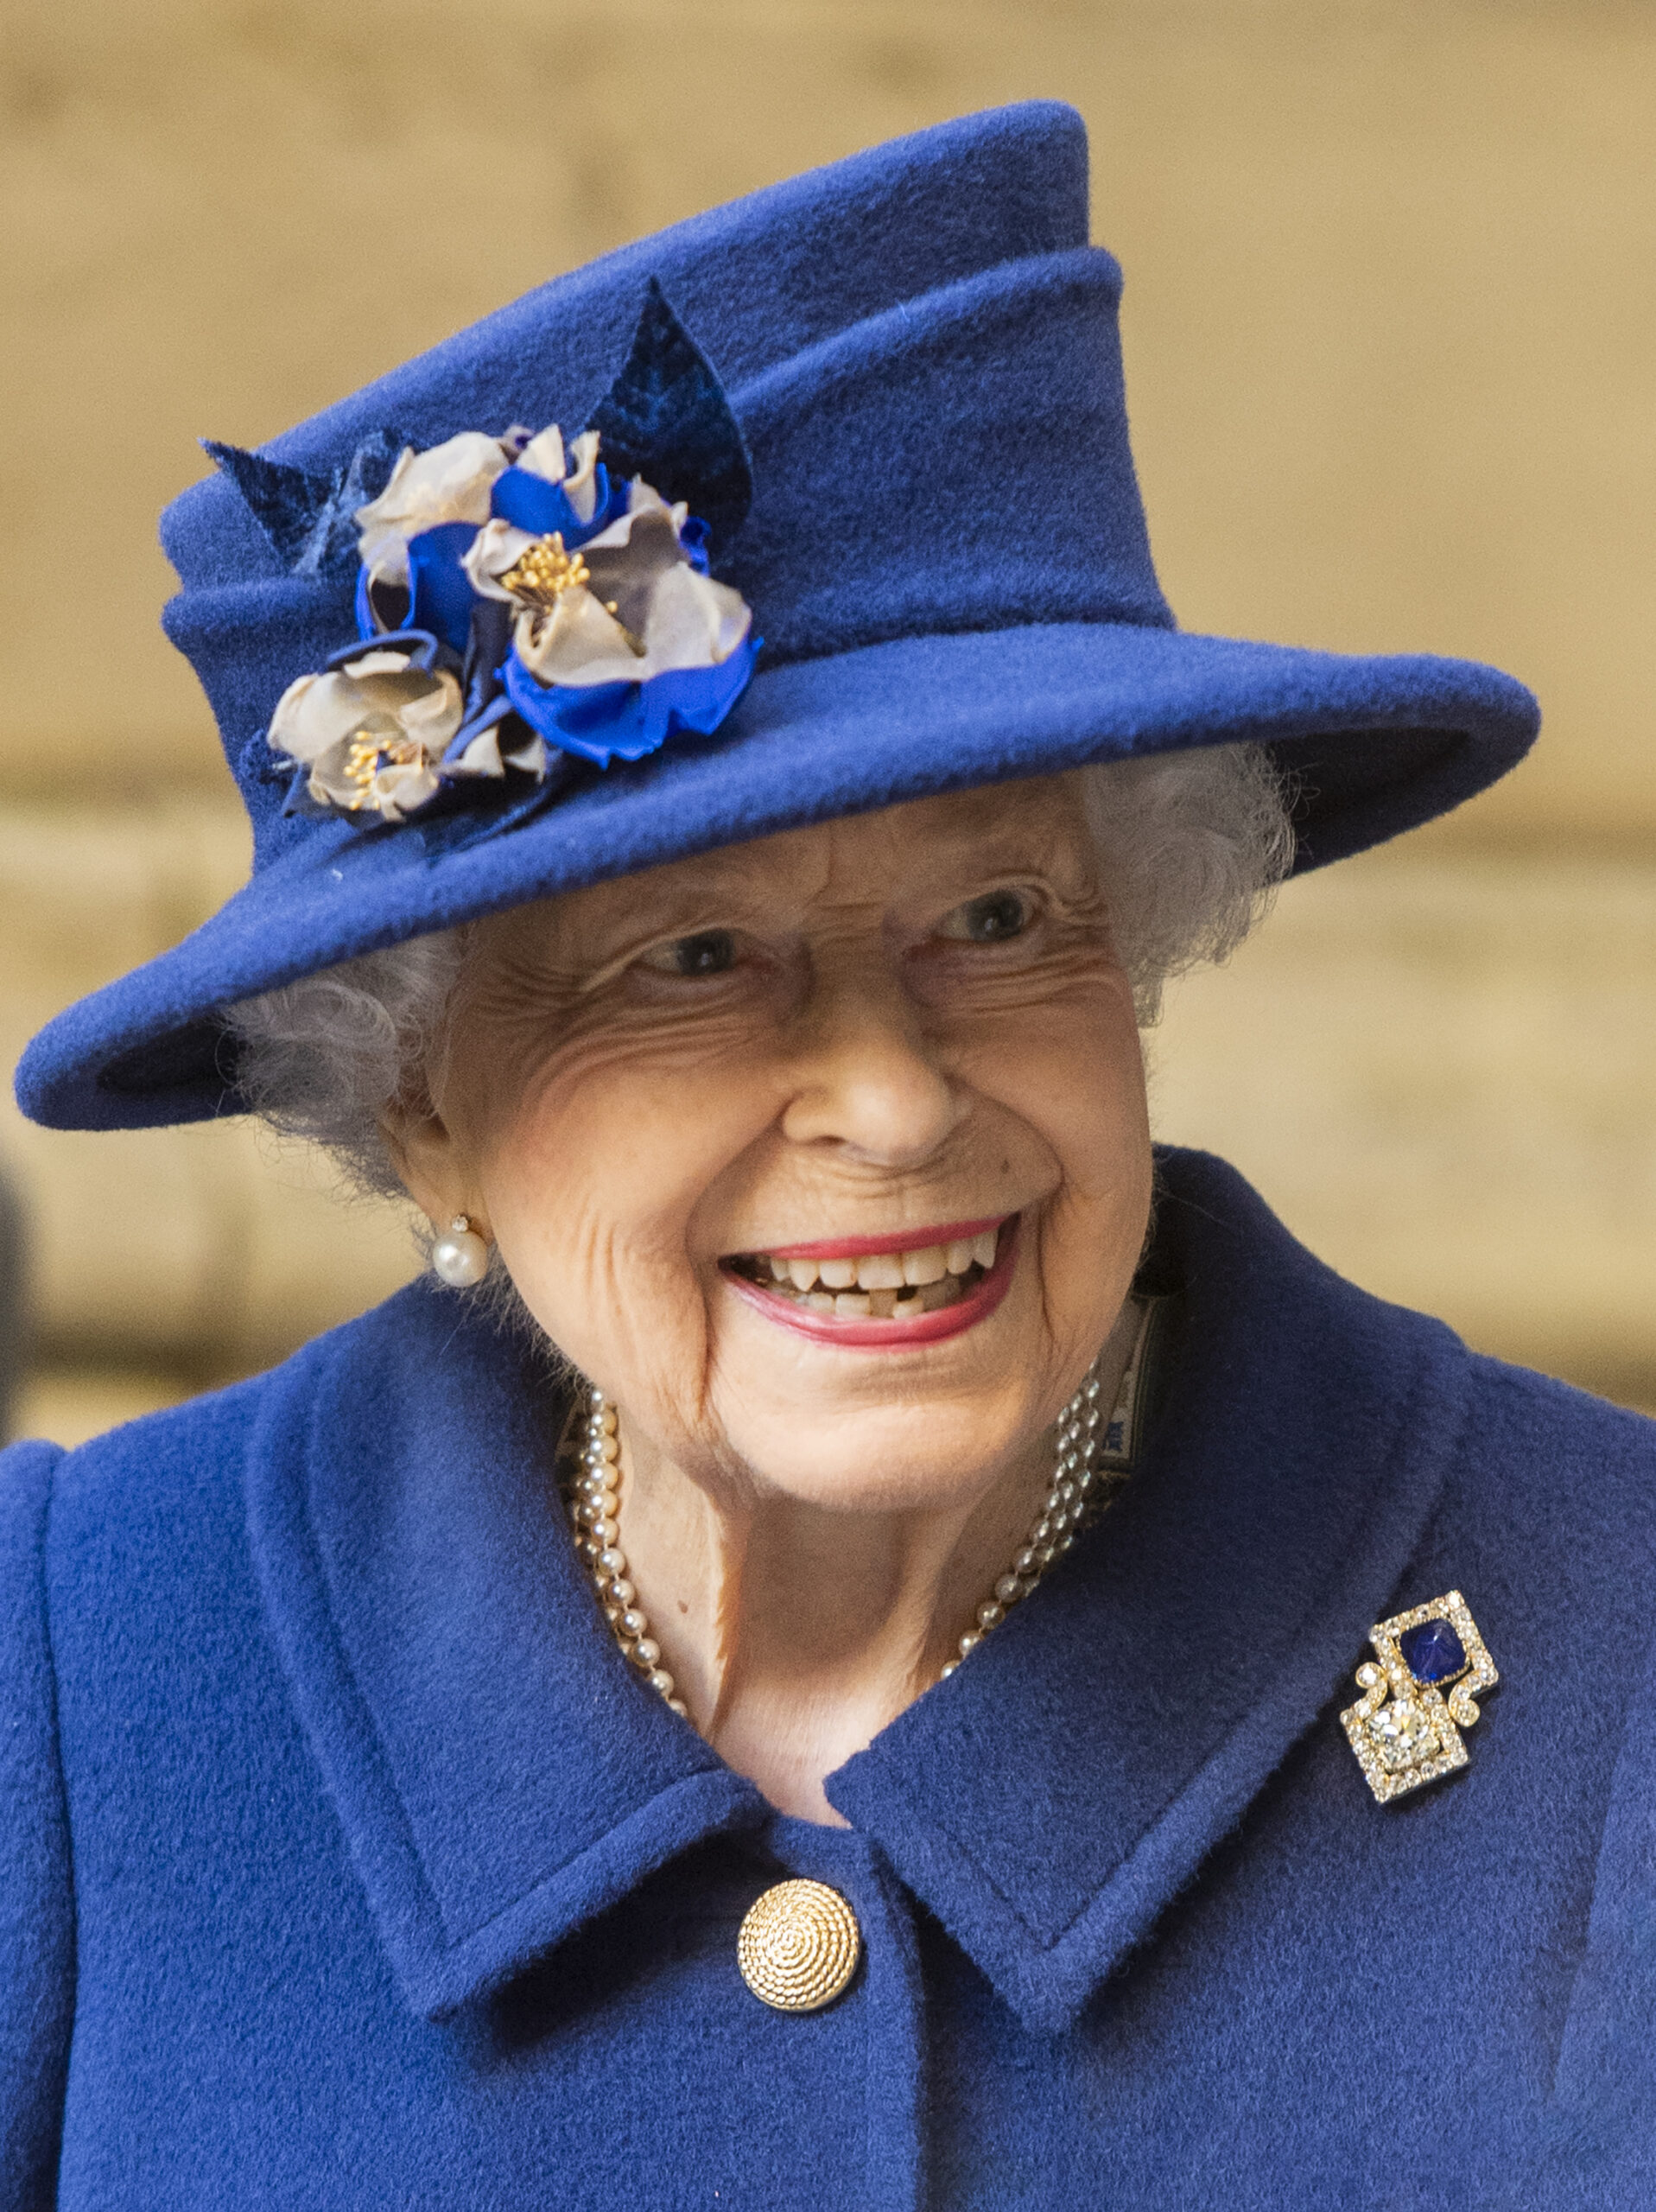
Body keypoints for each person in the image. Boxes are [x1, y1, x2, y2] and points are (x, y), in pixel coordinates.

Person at [2, 103, 1647, 2210]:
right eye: (691, 958)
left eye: (994, 920)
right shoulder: (78, 1664)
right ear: (423, 1105)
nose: (888, 1098)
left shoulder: (1614, 1648)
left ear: (1135, 938)